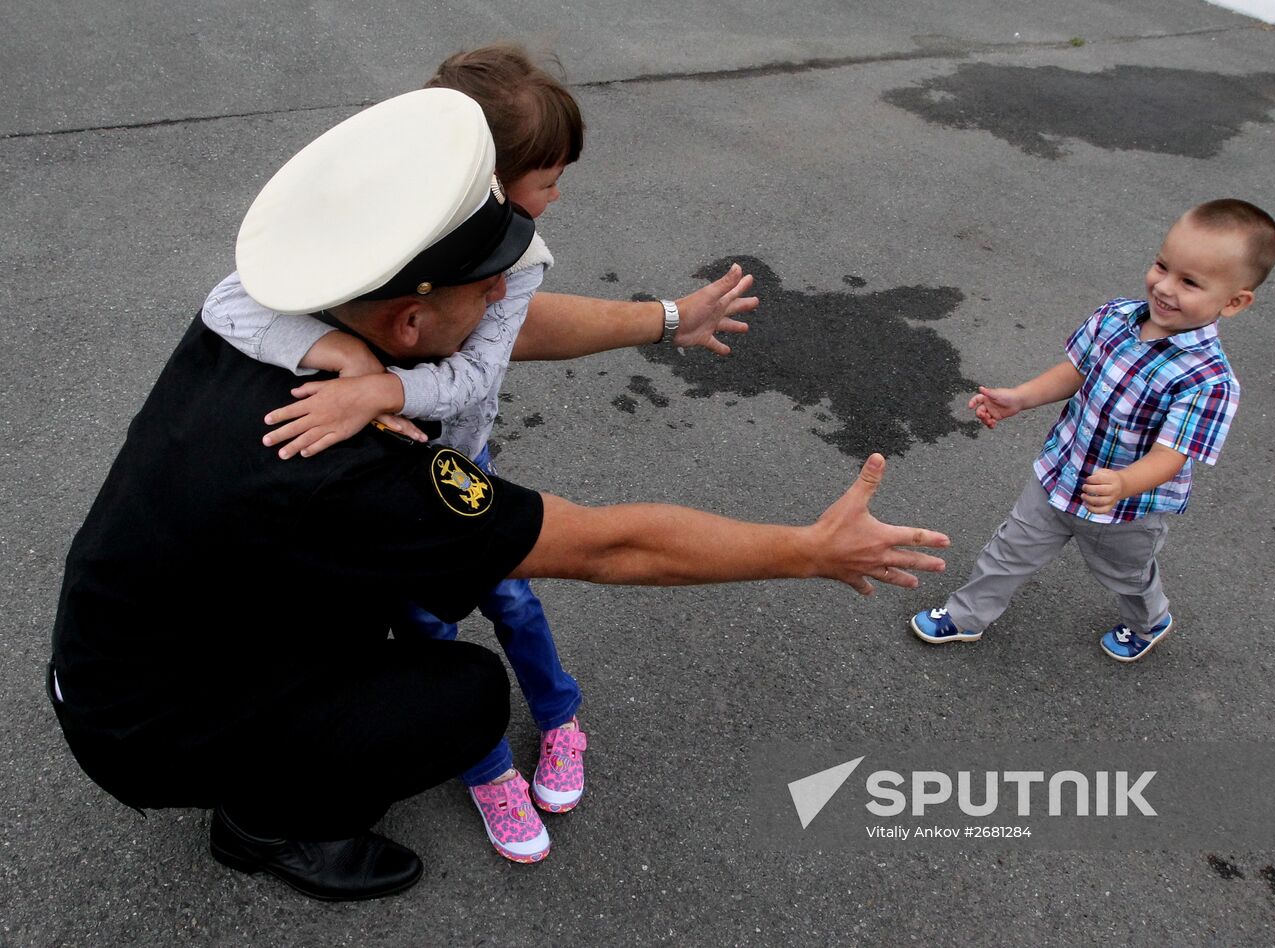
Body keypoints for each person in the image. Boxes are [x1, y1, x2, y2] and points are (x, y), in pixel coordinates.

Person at [49, 88, 950, 903]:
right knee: (466, 694)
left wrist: (668, 320)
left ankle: (276, 751)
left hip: (124, 643)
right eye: (489, 292)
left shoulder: (289, 310)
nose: (503, 307)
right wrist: (808, 549)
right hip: (145, 727)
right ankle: (269, 825)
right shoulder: (354, 463)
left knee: (359, 599)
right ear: (410, 318)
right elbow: (604, 546)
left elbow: (499, 329)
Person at [199, 43, 757, 865]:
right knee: (425, 628)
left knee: (516, 601)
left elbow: (470, 378)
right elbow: (229, 299)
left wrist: (382, 388)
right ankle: (486, 764)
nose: (559, 195)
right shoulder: (382, 231)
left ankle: (562, 719)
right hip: (388, 496)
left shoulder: (516, 260)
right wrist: (344, 357)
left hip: (461, 473)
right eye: (551, 177)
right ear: (487, 180)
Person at [910, 199, 1275, 662]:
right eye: (1162, 266)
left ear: (1234, 301)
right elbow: (1076, 370)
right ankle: (966, 616)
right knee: (1009, 550)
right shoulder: (1114, 317)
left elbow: (1173, 455)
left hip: (1127, 509)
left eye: (1189, 282)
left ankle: (1150, 620)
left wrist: (1124, 483)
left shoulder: (1209, 380)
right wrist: (1021, 398)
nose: (1164, 287)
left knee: (1127, 575)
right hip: (1060, 472)